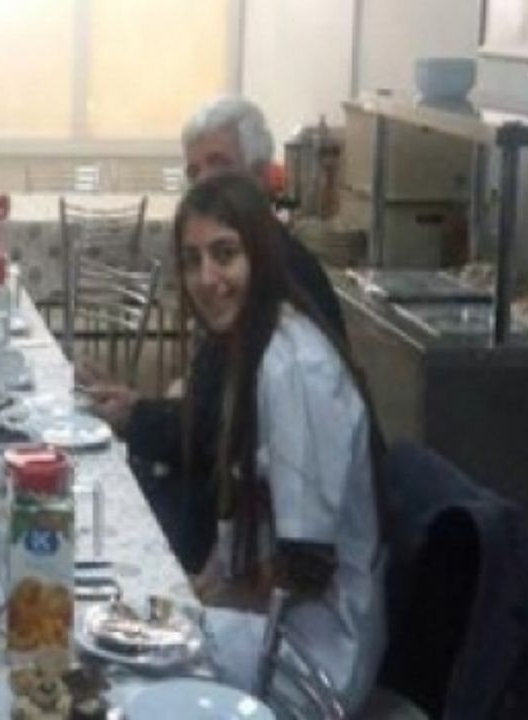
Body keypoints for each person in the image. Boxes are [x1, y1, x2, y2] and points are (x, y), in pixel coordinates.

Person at [83, 96, 347, 571]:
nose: (204, 182)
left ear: (262, 176)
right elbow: (214, 415)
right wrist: (138, 408)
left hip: (293, 600)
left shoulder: (294, 358)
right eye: (194, 171)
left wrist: (195, 597)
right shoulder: (249, 295)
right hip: (231, 537)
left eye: (219, 165)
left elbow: (303, 564)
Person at [174, 173, 386, 712]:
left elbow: (303, 569)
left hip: (312, 661)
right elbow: (240, 533)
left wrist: (196, 617)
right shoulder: (255, 346)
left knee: (139, 675)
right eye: (192, 260)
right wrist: (192, 596)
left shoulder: (294, 369)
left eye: (225, 254)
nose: (207, 278)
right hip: (271, 628)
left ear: (261, 256)